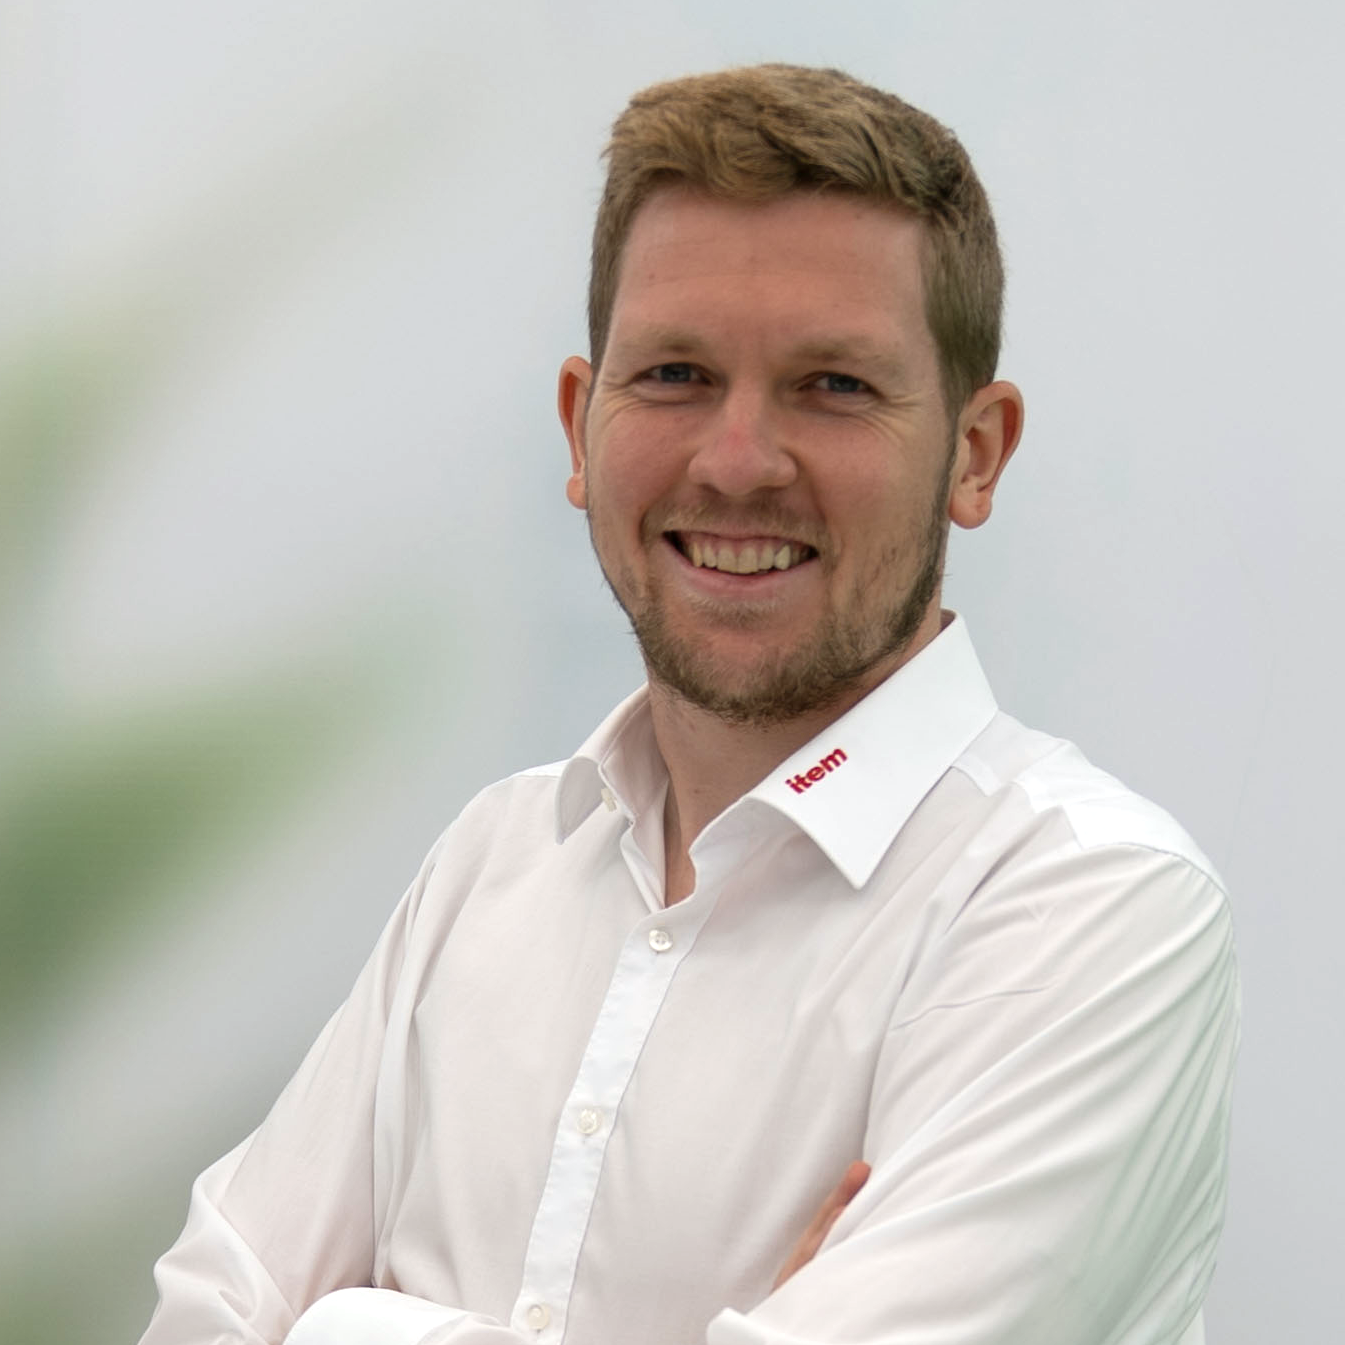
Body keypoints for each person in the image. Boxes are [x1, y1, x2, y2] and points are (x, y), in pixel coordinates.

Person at [140, 64, 1238, 1345]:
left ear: (975, 453)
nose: (736, 462)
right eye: (673, 374)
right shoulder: (495, 862)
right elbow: (202, 1319)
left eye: (834, 385)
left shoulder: (1094, 907)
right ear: (579, 426)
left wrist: (345, 1323)